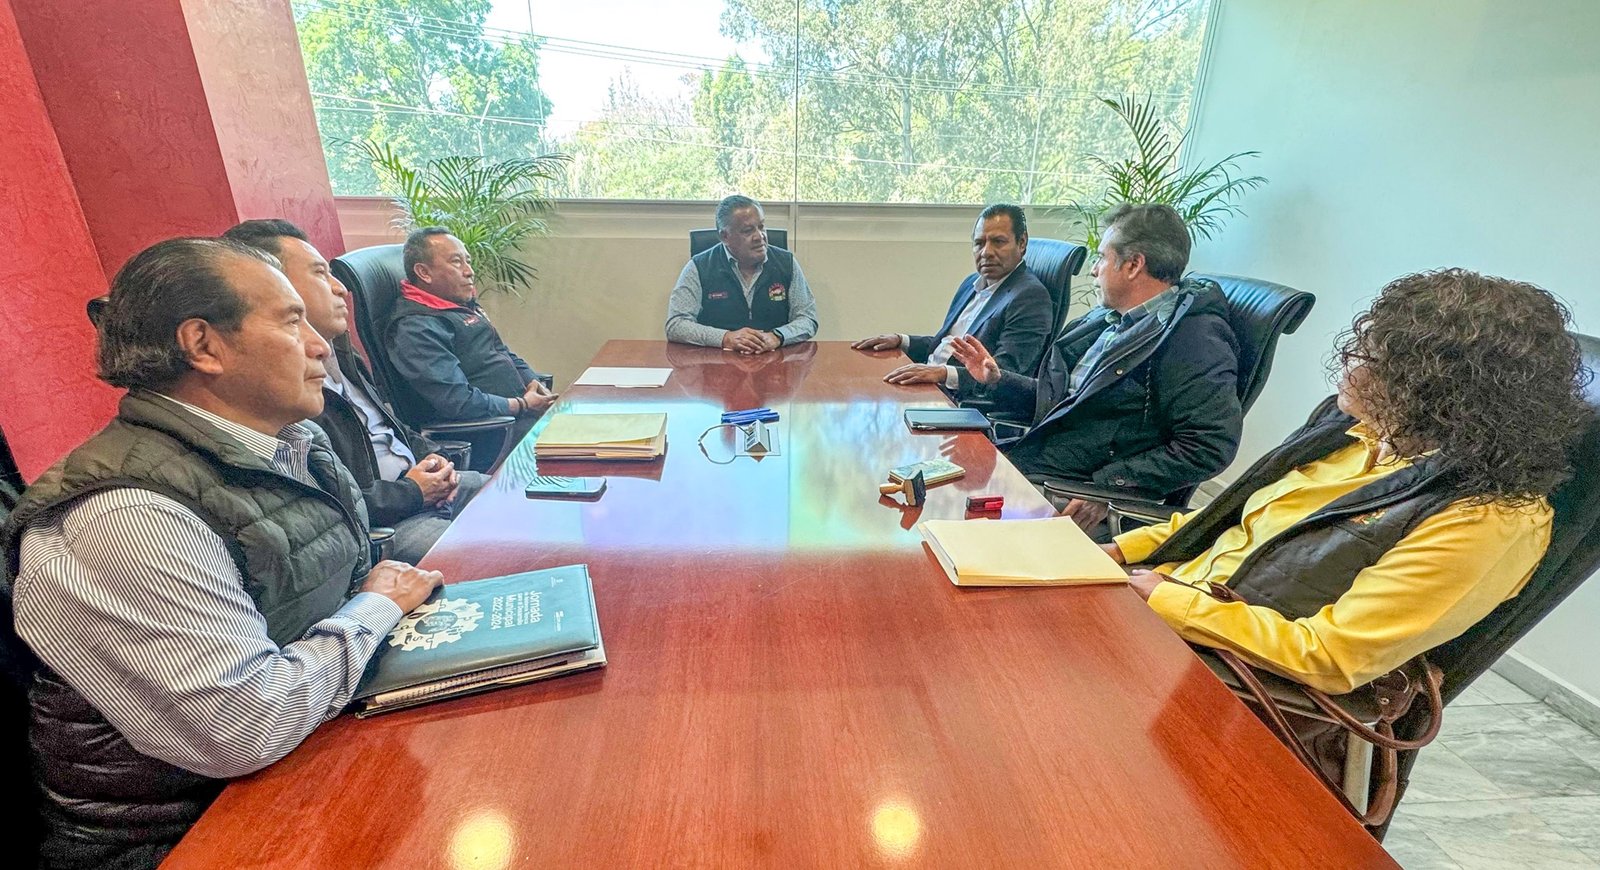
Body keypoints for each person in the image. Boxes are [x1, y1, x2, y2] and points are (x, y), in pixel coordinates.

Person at [2, 238, 443, 868]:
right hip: (187, 834)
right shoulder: (127, 519)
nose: (320, 345)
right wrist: (375, 609)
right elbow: (245, 728)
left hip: (304, 759)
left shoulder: (294, 442)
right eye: (291, 322)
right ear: (203, 345)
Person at [1105, 268, 1587, 695]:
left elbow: (1331, 657)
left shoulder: (1488, 519)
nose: (1347, 363)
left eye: (1368, 354)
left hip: (1224, 675)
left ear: (1436, 387)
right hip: (1165, 606)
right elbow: (1237, 525)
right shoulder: (1355, 433)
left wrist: (1164, 598)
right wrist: (1123, 550)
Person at [951, 203, 1241, 530]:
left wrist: (1108, 487)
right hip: (1038, 460)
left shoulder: (1193, 339)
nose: (1094, 270)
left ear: (1133, 265)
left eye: (1101, 258)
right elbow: (1063, 404)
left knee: (951, 517)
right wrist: (997, 380)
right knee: (940, 479)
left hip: (1070, 486)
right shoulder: (1106, 321)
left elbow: (1209, 446)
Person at [223, 219, 489, 563]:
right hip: (389, 525)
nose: (341, 289)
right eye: (321, 274)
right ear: (277, 286)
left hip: (425, 488)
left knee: (523, 497)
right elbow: (327, 505)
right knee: (490, 555)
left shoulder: (343, 354)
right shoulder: (278, 388)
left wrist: (438, 461)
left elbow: (393, 427)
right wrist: (412, 492)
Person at [854, 203, 1052, 397]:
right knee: (859, 385)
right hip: (929, 386)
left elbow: (1004, 374)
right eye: (979, 243)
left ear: (1022, 243)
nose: (986, 252)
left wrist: (942, 374)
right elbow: (947, 344)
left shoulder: (1030, 297)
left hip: (956, 398)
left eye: (998, 241)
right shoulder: (970, 284)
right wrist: (901, 340)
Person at [386, 227, 557, 428]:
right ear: (424, 272)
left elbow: (501, 351)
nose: (469, 271)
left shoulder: (458, 306)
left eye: (468, 261)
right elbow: (458, 402)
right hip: (494, 429)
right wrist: (523, 405)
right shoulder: (416, 328)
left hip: (522, 414)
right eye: (456, 262)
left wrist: (533, 382)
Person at [666, 195, 819, 352]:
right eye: (748, 231)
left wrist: (778, 336)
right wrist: (725, 338)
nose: (760, 236)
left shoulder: (786, 263)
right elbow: (676, 324)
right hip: (717, 361)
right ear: (725, 236)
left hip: (774, 360)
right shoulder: (699, 267)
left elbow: (807, 318)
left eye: (761, 227)